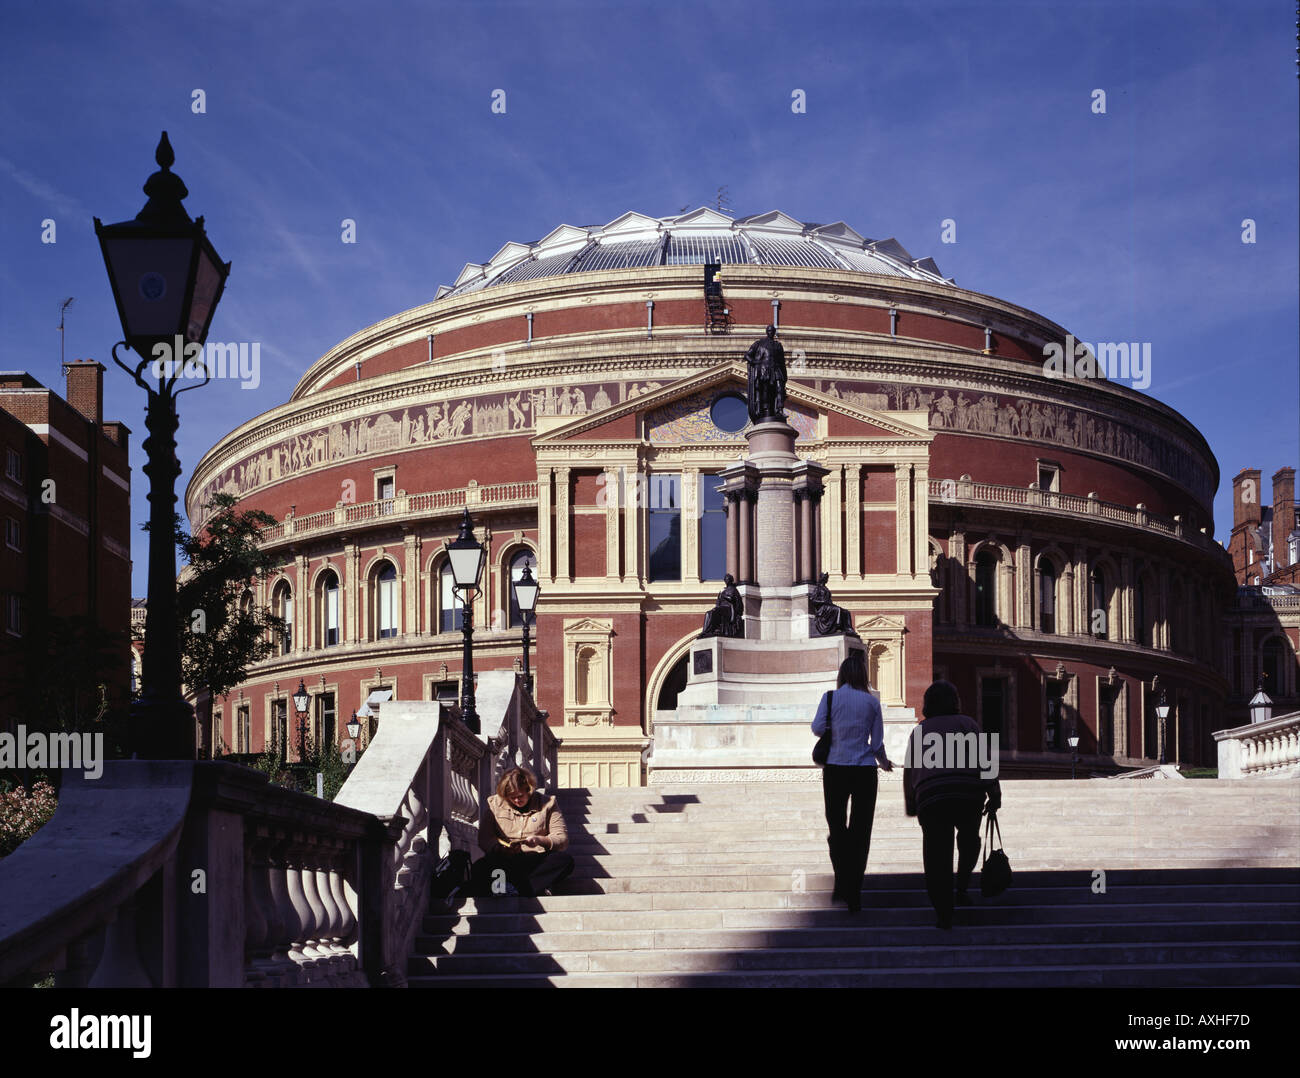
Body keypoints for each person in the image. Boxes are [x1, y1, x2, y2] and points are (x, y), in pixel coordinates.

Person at [903, 680, 1002, 930]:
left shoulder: (920, 731)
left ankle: (943, 912)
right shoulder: (968, 724)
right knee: (970, 841)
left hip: (931, 797)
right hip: (968, 794)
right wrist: (995, 792)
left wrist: (910, 800)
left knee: (936, 855)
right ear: (954, 701)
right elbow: (985, 759)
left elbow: (909, 770)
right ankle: (962, 885)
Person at [810, 656, 892, 913]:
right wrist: (884, 762)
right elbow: (876, 742)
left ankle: (841, 878)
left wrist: (835, 729)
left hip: (835, 767)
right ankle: (854, 890)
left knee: (837, 827)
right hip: (865, 770)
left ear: (843, 675)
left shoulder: (830, 697)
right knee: (861, 832)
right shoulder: (872, 702)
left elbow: (816, 728)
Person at [472, 767, 574, 898]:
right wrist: (499, 848)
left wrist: (540, 840)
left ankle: (517, 889)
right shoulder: (494, 804)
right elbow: (485, 838)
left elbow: (562, 838)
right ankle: (527, 888)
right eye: (511, 798)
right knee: (480, 867)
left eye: (520, 796)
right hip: (504, 859)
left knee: (564, 861)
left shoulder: (548, 804)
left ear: (529, 790)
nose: (516, 801)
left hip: (534, 859)